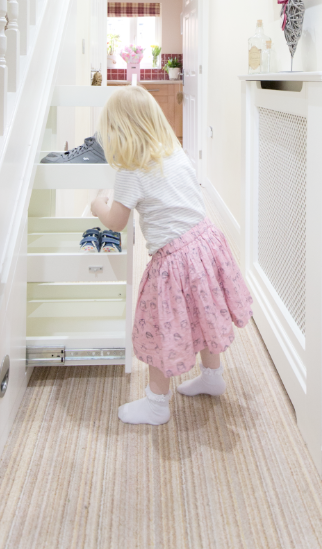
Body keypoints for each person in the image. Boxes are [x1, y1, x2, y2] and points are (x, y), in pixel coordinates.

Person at [91, 85, 253, 425]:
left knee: (158, 328)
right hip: (206, 245)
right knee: (203, 314)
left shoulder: (130, 173)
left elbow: (117, 222)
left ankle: (156, 404)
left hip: (174, 261)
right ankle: (212, 376)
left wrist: (99, 204)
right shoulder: (176, 153)